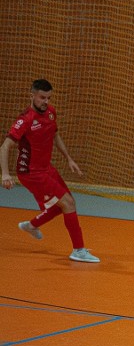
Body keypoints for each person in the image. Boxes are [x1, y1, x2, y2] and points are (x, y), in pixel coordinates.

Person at [1, 79, 99, 263]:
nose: (45, 101)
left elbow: (55, 135)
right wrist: (5, 174)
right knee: (68, 203)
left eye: (48, 98)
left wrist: (69, 158)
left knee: (64, 205)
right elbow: (5, 147)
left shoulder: (51, 113)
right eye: (42, 97)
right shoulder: (25, 119)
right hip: (31, 172)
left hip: (46, 168)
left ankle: (31, 225)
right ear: (32, 96)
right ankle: (78, 250)